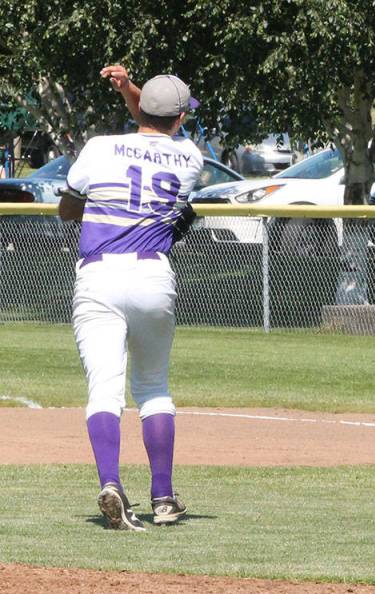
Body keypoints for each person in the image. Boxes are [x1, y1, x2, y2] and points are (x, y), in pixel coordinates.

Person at [58, 65, 202, 530]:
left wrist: (97, 208)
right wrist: (132, 91)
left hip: (98, 274)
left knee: (105, 388)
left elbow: (67, 208)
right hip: (152, 275)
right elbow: (156, 124)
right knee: (154, 387)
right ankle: (162, 497)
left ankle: (111, 482)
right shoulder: (190, 158)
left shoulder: (99, 148)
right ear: (179, 118)